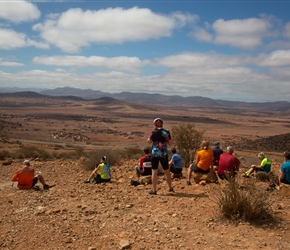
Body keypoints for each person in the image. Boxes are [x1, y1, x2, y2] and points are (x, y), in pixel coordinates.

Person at [147, 118, 173, 195]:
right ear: (162, 124)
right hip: (163, 154)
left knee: (154, 171)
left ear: (155, 124)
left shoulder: (153, 132)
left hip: (154, 154)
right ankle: (170, 188)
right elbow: (170, 144)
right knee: (167, 171)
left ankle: (154, 190)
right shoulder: (166, 132)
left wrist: (153, 138)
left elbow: (148, 141)